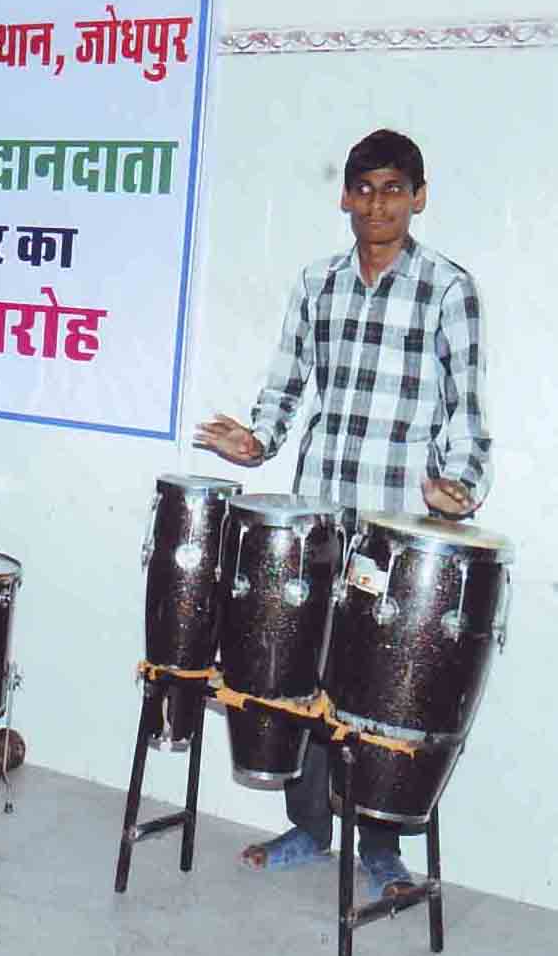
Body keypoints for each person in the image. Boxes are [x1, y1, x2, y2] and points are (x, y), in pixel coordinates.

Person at [194, 128, 491, 901]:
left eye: (394, 189)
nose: (377, 203)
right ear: (344, 198)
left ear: (418, 198)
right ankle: (308, 825)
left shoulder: (446, 289)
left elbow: (467, 411)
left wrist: (460, 485)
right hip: (319, 520)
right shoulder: (316, 283)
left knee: (387, 688)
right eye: (363, 189)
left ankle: (383, 846)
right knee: (306, 673)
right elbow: (288, 382)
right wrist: (257, 441)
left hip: (399, 532)